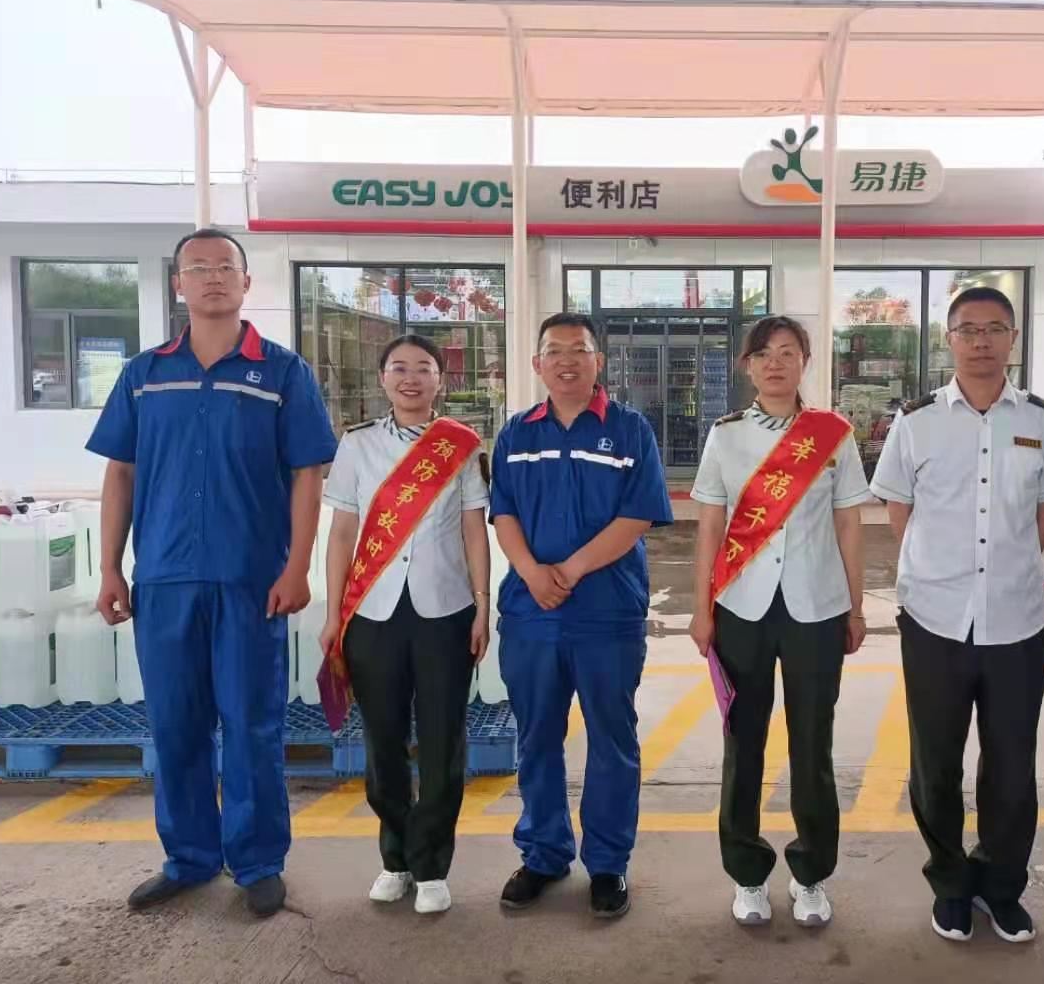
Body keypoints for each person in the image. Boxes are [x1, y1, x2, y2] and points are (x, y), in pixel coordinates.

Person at [87, 228, 337, 917]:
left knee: (252, 722)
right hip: (164, 579)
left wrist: (297, 566)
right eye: (197, 268)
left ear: (247, 282)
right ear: (179, 285)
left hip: (250, 581)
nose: (213, 278)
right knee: (175, 723)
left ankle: (257, 862)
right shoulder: (144, 374)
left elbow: (307, 475)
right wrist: (109, 567)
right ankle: (190, 857)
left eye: (226, 267)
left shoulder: (282, 373)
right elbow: (120, 473)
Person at [869, 286, 1044, 945]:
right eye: (968, 330)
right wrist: (936, 568)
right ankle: (951, 884)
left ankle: (1001, 887)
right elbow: (898, 507)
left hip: (1017, 621)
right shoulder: (917, 421)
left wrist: (1006, 569)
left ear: (1013, 338)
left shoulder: (1043, 420)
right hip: (934, 619)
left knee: (1012, 766)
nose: (981, 341)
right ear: (949, 340)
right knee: (935, 763)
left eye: (994, 328)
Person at [487, 312, 672, 920]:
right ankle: (544, 854)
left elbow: (637, 516)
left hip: (607, 613)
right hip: (531, 613)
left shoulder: (629, 430)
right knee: (536, 736)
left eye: (579, 350)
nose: (566, 360)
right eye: (554, 351)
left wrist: (567, 571)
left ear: (598, 362)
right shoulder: (516, 434)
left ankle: (608, 863)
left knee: (611, 740)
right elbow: (503, 513)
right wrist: (532, 573)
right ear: (537, 363)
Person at [688, 315, 870, 928]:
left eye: (788, 352)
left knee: (813, 743)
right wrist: (701, 608)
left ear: (804, 363)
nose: (775, 363)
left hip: (816, 608)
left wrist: (856, 606)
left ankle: (811, 872)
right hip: (741, 608)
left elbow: (849, 523)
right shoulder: (726, 436)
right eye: (763, 353)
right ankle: (747, 872)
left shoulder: (833, 435)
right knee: (744, 743)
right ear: (747, 366)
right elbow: (710, 527)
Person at [317, 334, 490, 915]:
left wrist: (483, 604)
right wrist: (333, 613)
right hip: (372, 614)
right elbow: (342, 532)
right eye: (399, 368)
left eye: (423, 368)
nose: (410, 378)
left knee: (443, 742)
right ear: (383, 378)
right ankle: (395, 858)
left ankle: (432, 864)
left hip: (446, 611)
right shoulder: (357, 444)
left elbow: (473, 529)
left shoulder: (461, 444)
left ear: (441, 379)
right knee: (383, 742)